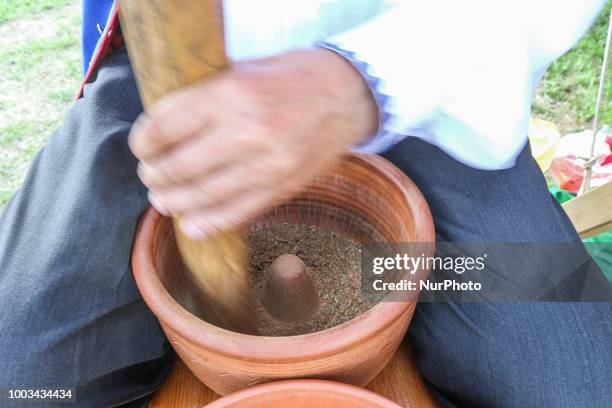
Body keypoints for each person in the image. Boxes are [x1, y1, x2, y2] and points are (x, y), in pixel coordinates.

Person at [1, 0, 611, 407]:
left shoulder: (383, 263)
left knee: (576, 384)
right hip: (168, 90)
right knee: (24, 385)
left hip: (432, 72)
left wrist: (364, 80)